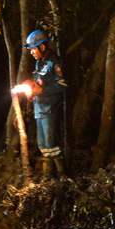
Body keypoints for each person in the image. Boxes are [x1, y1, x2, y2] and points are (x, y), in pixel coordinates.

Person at [24, 30, 67, 179]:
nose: (32, 52)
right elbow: (38, 84)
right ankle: (47, 177)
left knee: (52, 144)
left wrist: (42, 91)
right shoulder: (38, 63)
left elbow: (62, 85)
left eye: (33, 49)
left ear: (42, 47)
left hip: (50, 109)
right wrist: (31, 93)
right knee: (42, 145)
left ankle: (63, 176)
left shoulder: (54, 62)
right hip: (39, 109)